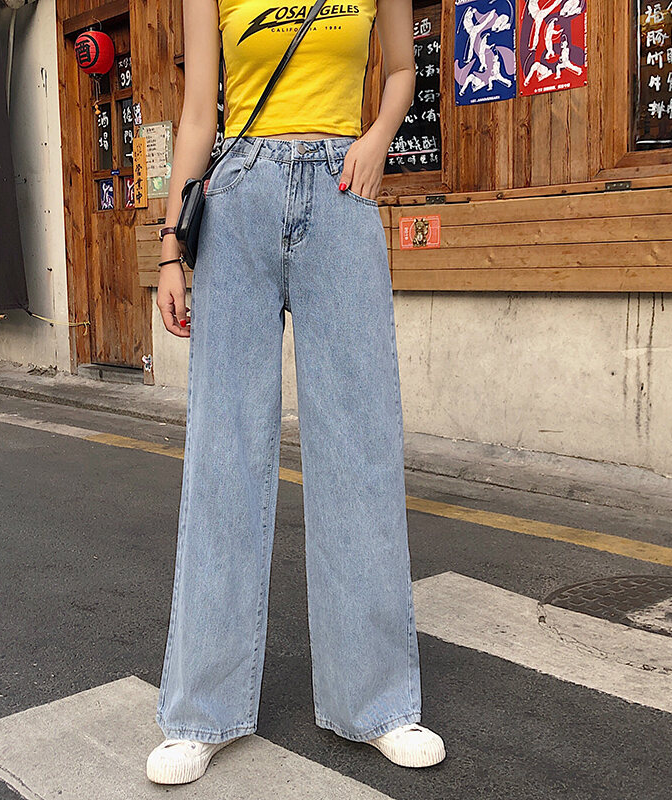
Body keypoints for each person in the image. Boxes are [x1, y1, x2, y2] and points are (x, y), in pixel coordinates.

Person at [146, 0, 446, 785]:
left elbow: (403, 70)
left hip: (343, 192)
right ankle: (200, 712)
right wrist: (171, 247)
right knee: (224, 453)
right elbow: (199, 112)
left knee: (359, 449)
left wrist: (377, 139)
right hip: (239, 197)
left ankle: (376, 703)